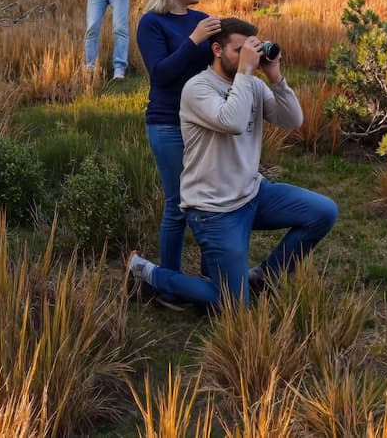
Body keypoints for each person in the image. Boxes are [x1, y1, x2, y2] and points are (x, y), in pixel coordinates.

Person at [127, 18, 337, 310]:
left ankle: (264, 276)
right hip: (214, 210)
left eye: (251, 49)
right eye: (239, 50)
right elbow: (234, 121)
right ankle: (146, 273)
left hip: (252, 194)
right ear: (216, 49)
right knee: (235, 305)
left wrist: (275, 76)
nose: (247, 57)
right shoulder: (197, 88)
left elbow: (293, 121)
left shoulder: (250, 84)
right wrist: (247, 72)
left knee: (323, 212)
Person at [135, 0, 217, 281]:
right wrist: (195, 39)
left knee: (209, 201)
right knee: (179, 204)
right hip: (167, 122)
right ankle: (169, 280)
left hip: (203, 122)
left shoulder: (202, 19)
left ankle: (213, 275)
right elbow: (161, 73)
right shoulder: (152, 23)